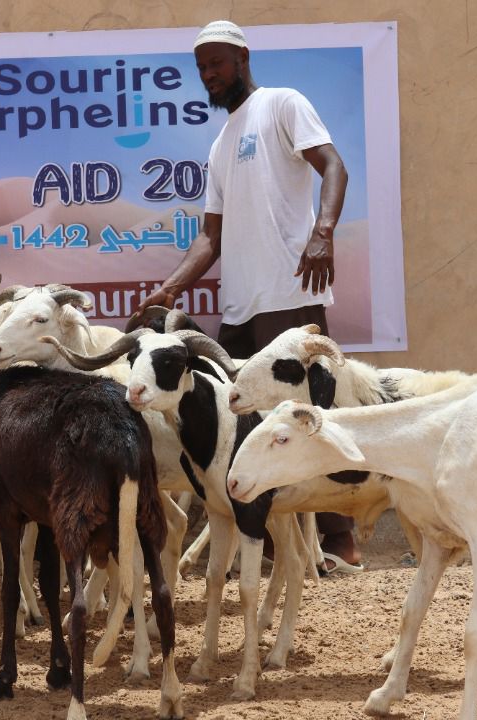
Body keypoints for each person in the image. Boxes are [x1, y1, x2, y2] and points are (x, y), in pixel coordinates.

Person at [133, 20, 362, 574]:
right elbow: (210, 237)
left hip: (289, 291)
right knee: (237, 419)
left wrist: (323, 232)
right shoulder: (219, 145)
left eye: (216, 63)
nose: (209, 75)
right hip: (239, 305)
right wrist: (170, 287)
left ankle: (340, 539)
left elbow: (334, 165)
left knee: (310, 412)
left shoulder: (282, 104)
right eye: (201, 68)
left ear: (242, 57)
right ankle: (274, 540)